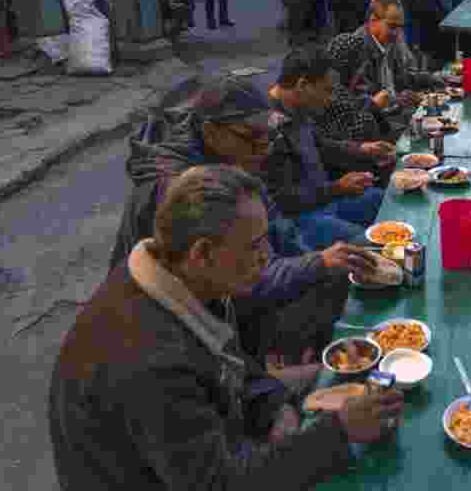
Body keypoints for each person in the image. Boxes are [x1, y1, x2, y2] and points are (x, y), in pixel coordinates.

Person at [52, 165, 406, 490]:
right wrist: (340, 432)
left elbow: (225, 357)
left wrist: (271, 400)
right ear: (202, 253)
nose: (268, 256)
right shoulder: (150, 362)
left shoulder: (182, 280)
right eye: (254, 246)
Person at [111, 77, 376, 368]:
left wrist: (317, 257)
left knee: (338, 268)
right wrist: (316, 263)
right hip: (178, 322)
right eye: (251, 136)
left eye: (268, 136)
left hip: (224, 294)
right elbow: (241, 279)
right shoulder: (185, 189)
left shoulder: (235, 157)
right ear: (211, 131)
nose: (263, 148)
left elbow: (277, 229)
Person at [265, 47, 390, 250]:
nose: (331, 99)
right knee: (375, 244)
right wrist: (337, 188)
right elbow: (281, 200)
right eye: (327, 90)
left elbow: (320, 145)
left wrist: (363, 148)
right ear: (302, 85)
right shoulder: (267, 129)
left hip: (326, 200)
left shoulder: (297, 108)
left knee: (388, 200)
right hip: (300, 218)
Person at [326, 0, 443, 129]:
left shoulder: (387, 42)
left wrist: (430, 78)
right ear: (373, 20)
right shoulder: (356, 50)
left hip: (395, 114)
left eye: (400, 27)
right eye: (392, 26)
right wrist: (397, 100)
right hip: (378, 123)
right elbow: (357, 104)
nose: (397, 33)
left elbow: (401, 78)